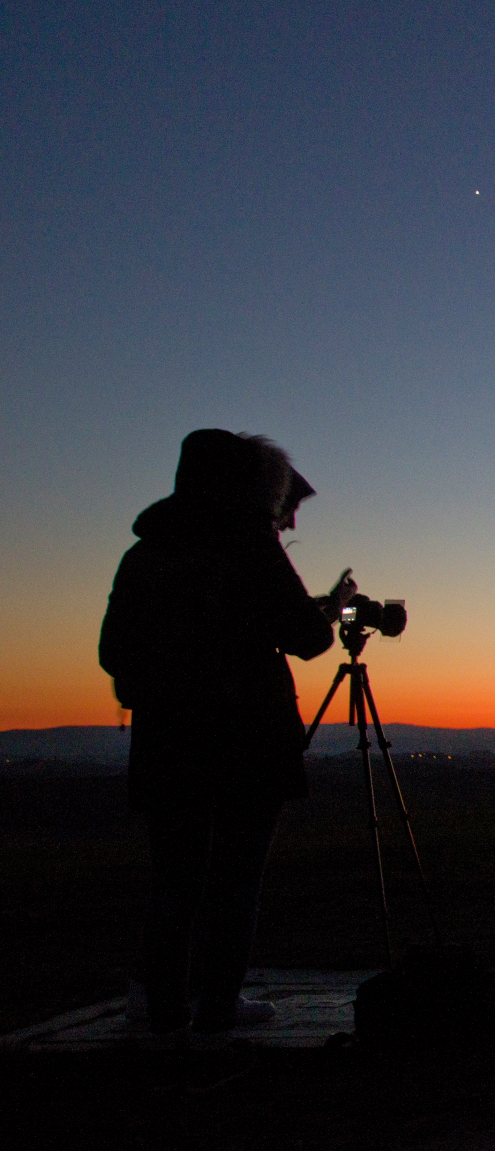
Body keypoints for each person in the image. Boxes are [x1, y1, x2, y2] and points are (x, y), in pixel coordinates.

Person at [99, 429, 355, 1045]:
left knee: (176, 876)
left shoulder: (145, 556)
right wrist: (321, 611)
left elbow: (113, 651)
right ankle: (218, 1005)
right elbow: (308, 638)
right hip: (247, 739)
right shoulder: (250, 546)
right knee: (237, 876)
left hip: (166, 741)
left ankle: (161, 1007)